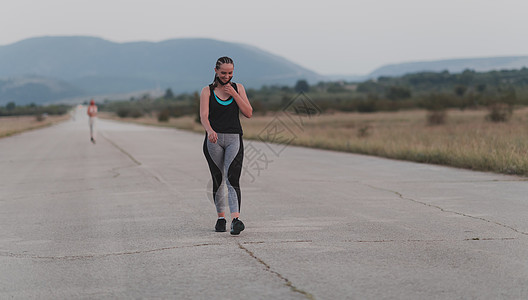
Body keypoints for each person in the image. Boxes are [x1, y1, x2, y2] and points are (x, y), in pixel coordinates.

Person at [200, 56, 253, 235]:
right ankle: (221, 218)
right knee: (218, 179)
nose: (226, 76)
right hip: (213, 140)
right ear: (216, 71)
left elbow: (248, 113)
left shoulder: (239, 88)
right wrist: (209, 131)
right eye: (223, 73)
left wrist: (235, 94)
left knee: (233, 178)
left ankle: (236, 220)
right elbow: (204, 116)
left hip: (234, 139)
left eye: (230, 73)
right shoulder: (207, 91)